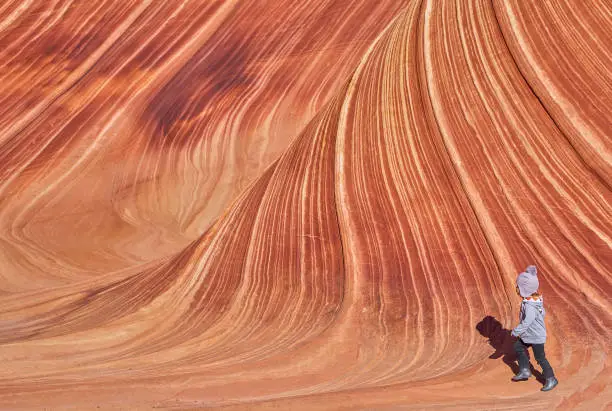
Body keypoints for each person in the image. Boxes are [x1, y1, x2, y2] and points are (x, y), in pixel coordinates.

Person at [510, 265, 558, 392]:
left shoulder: (530, 305)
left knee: (540, 358)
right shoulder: (536, 300)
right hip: (530, 334)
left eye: (518, 287)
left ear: (524, 289)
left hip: (535, 336)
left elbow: (527, 321)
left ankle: (551, 378)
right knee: (518, 347)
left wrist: (516, 332)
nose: (516, 289)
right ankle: (525, 370)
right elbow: (543, 313)